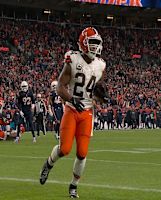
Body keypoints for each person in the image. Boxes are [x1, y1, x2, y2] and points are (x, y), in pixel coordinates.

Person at [39, 27, 109, 198]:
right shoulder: (73, 59)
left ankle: (73, 186)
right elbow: (60, 86)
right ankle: (48, 164)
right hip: (71, 109)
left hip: (87, 113)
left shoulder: (100, 65)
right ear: (83, 43)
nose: (95, 47)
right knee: (64, 149)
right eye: (92, 43)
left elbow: (97, 88)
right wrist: (71, 99)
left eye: (97, 44)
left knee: (82, 152)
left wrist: (102, 97)